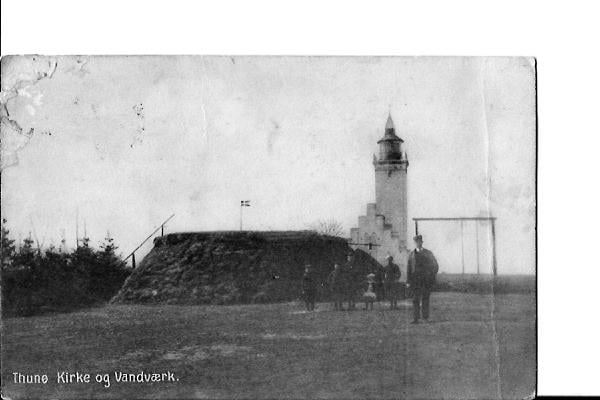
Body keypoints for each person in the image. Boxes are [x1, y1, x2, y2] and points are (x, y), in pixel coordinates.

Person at [407, 235, 439, 323]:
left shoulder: (428, 253)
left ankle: (425, 318)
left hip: (425, 281)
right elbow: (409, 269)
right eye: (416, 242)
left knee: (425, 298)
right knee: (415, 299)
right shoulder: (411, 255)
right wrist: (408, 281)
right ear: (414, 243)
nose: (418, 243)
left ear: (422, 242)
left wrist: (430, 275)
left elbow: (435, 266)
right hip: (415, 281)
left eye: (419, 242)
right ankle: (415, 318)